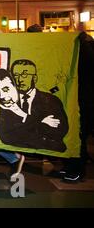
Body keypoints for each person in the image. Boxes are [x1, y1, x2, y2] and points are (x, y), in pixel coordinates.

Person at [11, 59, 69, 152]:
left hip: (46, 149)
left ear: (34, 78)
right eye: (16, 75)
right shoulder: (9, 102)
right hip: (16, 149)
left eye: (24, 75)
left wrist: (24, 128)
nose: (19, 79)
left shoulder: (50, 101)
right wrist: (41, 122)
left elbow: (60, 130)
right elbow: (7, 132)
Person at [60, 32, 94, 181]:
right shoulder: (85, 55)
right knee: (74, 134)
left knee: (78, 136)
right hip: (80, 101)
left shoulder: (84, 57)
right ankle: (71, 166)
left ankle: (77, 169)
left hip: (84, 102)